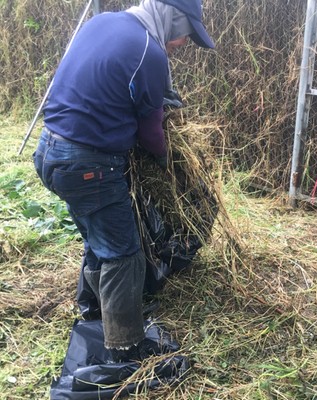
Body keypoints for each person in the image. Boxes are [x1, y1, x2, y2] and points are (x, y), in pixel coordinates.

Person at [33, 0, 214, 362]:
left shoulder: (104, 24)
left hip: (50, 150)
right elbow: (150, 131)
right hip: (89, 163)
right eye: (185, 35)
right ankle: (125, 346)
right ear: (172, 18)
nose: (181, 44)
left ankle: (92, 309)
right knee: (123, 253)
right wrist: (165, 161)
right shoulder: (149, 50)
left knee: (100, 232)